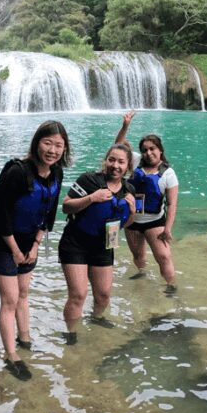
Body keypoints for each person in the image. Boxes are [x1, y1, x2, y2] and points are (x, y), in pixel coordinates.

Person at [0, 121, 71, 380]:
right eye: (48, 143)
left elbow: (49, 214)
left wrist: (35, 245)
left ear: (64, 149)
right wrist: (14, 248)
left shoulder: (56, 174)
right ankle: (11, 354)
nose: (52, 150)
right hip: (4, 241)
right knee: (10, 299)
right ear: (37, 143)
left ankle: (25, 341)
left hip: (29, 242)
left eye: (58, 145)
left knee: (23, 294)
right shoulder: (17, 172)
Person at [59, 143, 136, 345]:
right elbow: (66, 206)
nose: (115, 165)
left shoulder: (129, 189)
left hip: (104, 245)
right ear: (105, 161)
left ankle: (97, 318)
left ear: (128, 166)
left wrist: (133, 211)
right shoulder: (89, 179)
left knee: (103, 295)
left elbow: (125, 224)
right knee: (78, 294)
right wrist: (92, 198)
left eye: (121, 162)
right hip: (76, 242)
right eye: (111, 160)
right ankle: (71, 332)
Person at [115, 110, 179, 293]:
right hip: (132, 221)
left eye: (152, 149)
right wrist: (125, 125)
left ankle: (171, 286)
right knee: (138, 255)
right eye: (145, 150)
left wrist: (168, 228)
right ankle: (142, 274)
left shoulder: (168, 174)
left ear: (160, 150)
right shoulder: (134, 161)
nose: (148, 153)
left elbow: (172, 204)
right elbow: (118, 145)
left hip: (154, 221)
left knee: (164, 256)